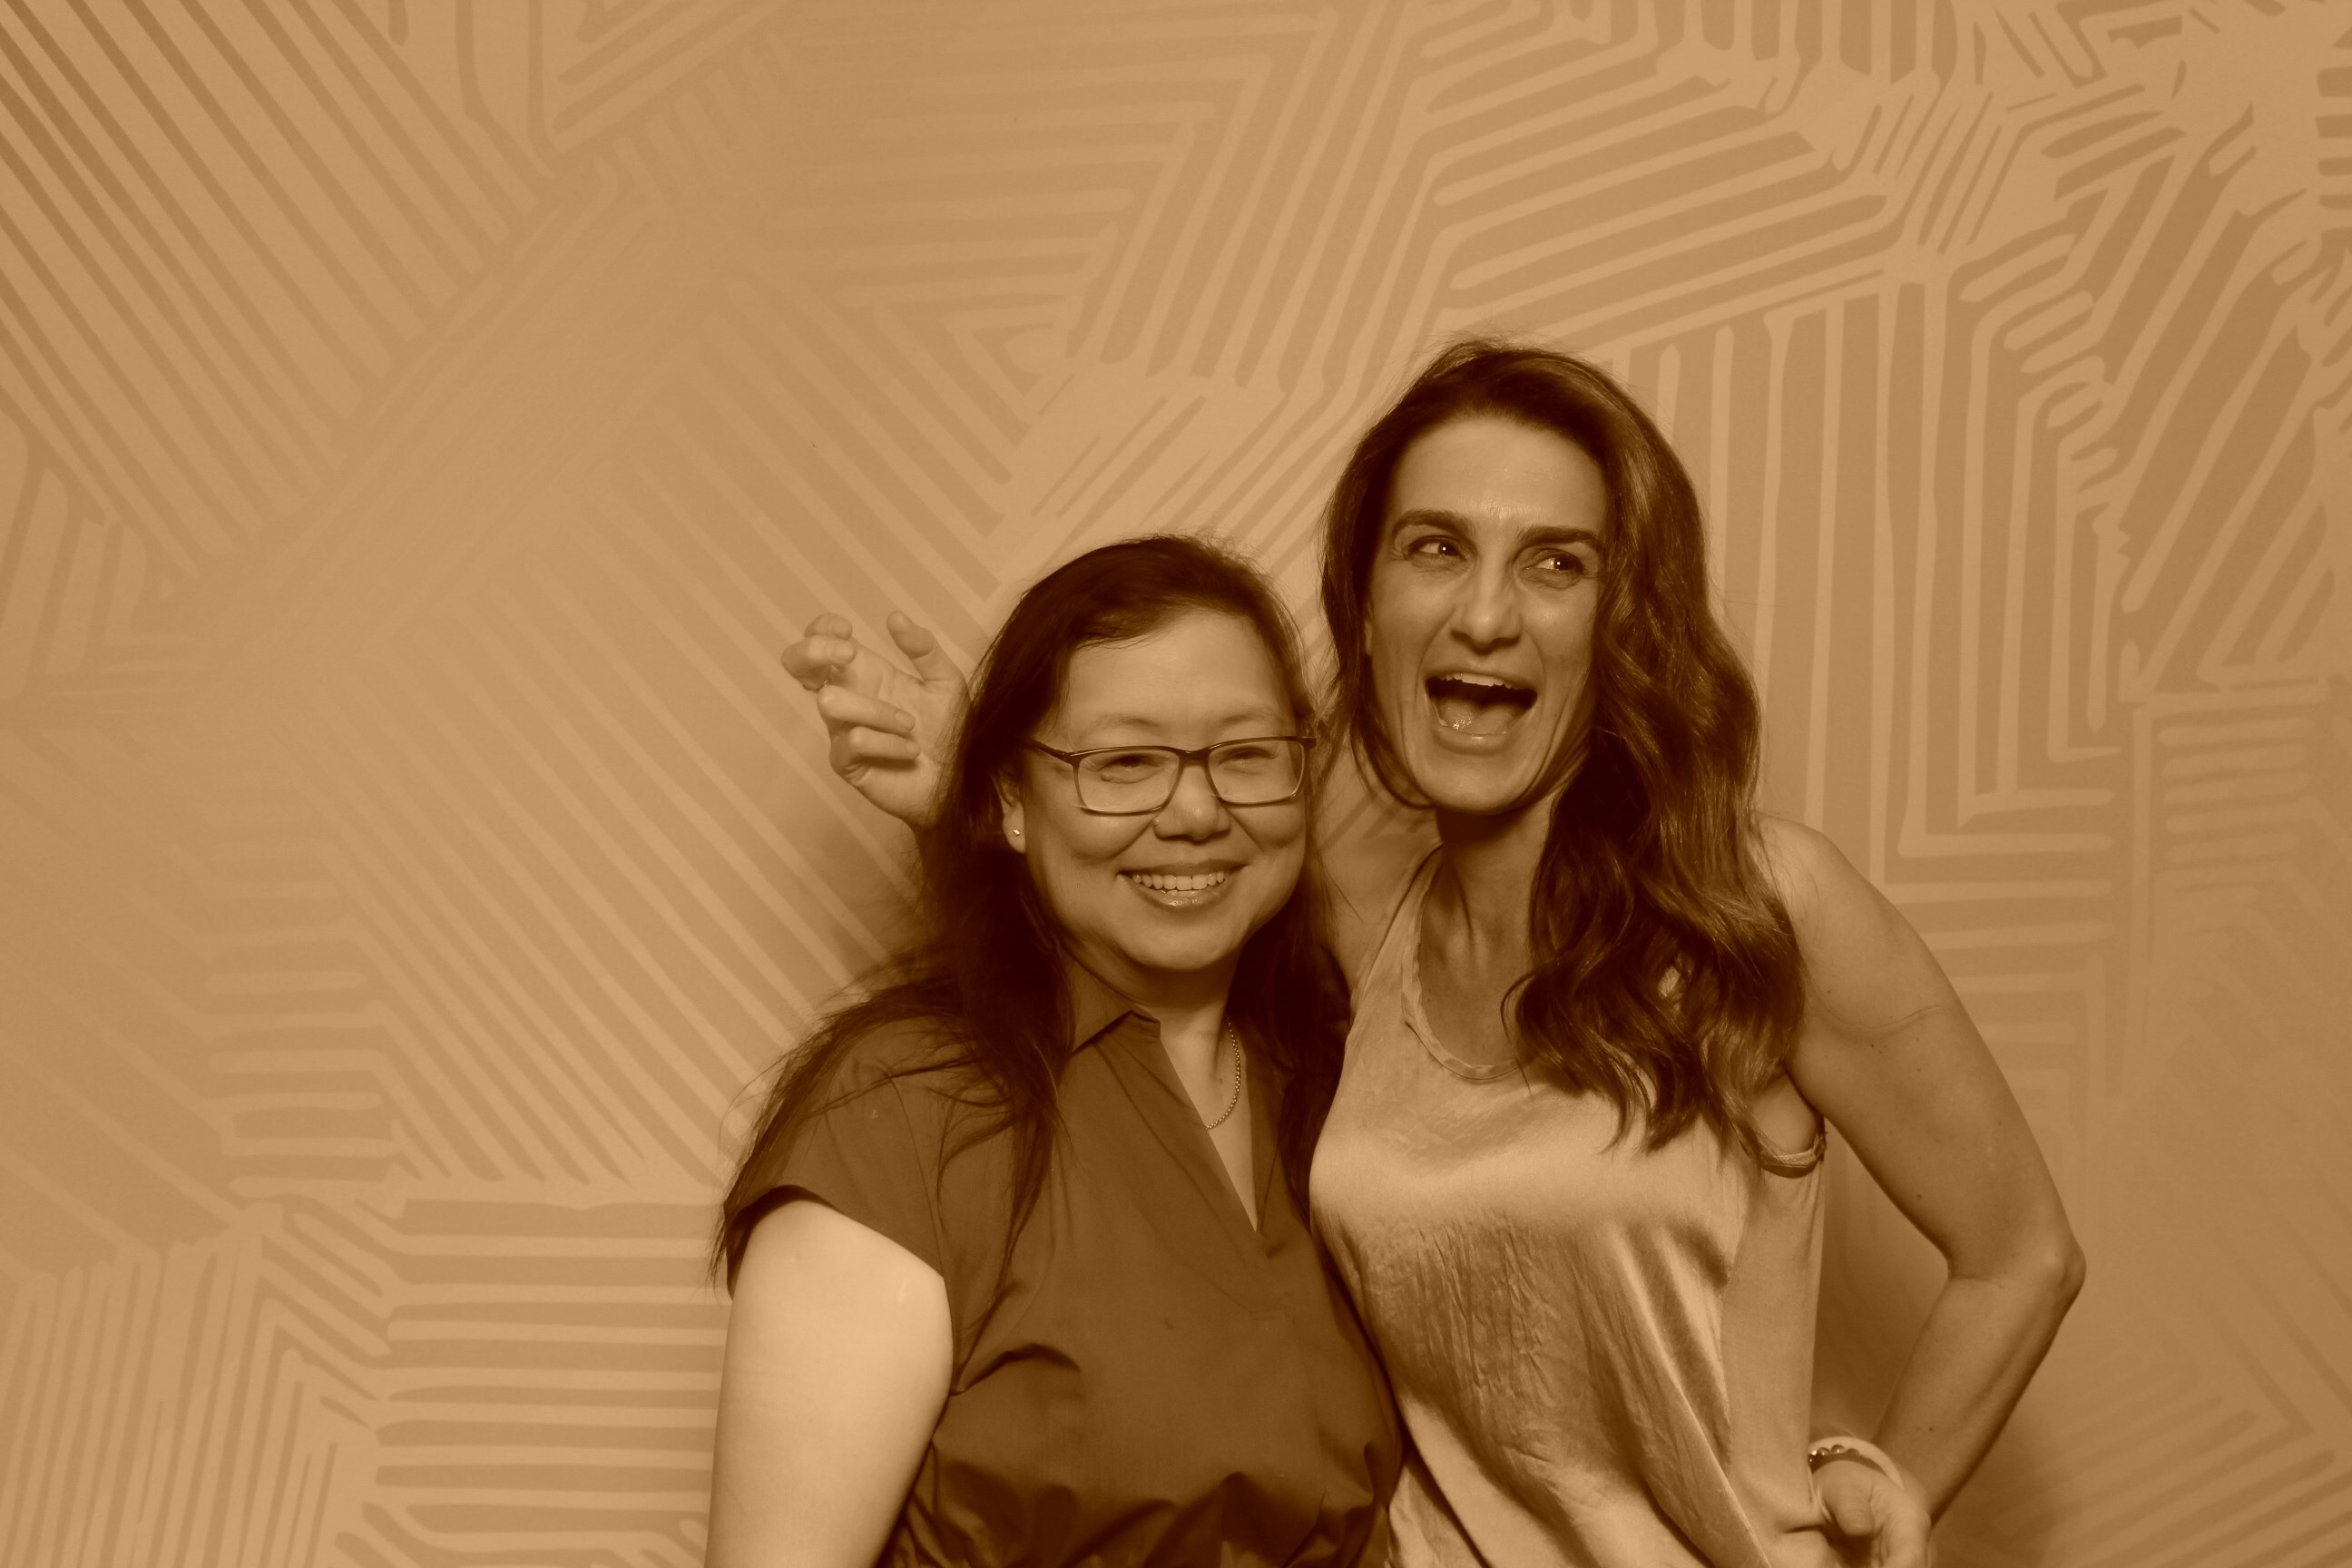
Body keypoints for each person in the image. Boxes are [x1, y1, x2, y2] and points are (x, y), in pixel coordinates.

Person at [791, 340, 2083, 1568]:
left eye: (1556, 563)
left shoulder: (1757, 907)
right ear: (1366, 611)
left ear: (1622, 621)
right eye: (1437, 548)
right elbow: (1153, 898)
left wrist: (1889, 1482)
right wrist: (994, 788)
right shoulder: (1360, 937)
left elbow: (2021, 1251)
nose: (1486, 614)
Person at [715, 537, 1399, 1567]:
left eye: (1247, 754)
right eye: (1123, 763)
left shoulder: (1335, 1093)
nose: (1197, 812)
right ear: (1008, 802)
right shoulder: (905, 1111)